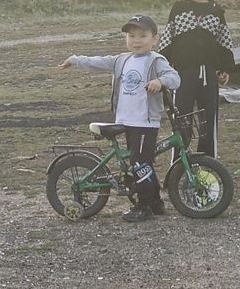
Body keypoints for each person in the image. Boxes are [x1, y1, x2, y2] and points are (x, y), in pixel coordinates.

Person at [60, 15, 181, 222]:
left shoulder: (156, 60)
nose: (136, 40)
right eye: (131, 35)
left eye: (143, 36)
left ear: (155, 39)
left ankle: (146, 204)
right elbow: (98, 62)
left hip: (145, 121)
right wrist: (75, 59)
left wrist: (160, 81)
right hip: (125, 119)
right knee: (141, 162)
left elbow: (175, 78)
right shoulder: (122, 60)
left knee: (141, 162)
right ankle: (151, 202)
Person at [158, 0, 235, 159]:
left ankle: (207, 162)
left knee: (208, 120)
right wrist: (162, 66)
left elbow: (224, 40)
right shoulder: (179, 8)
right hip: (182, 73)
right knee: (182, 118)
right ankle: (179, 164)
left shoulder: (216, 11)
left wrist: (225, 67)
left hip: (209, 74)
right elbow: (168, 38)